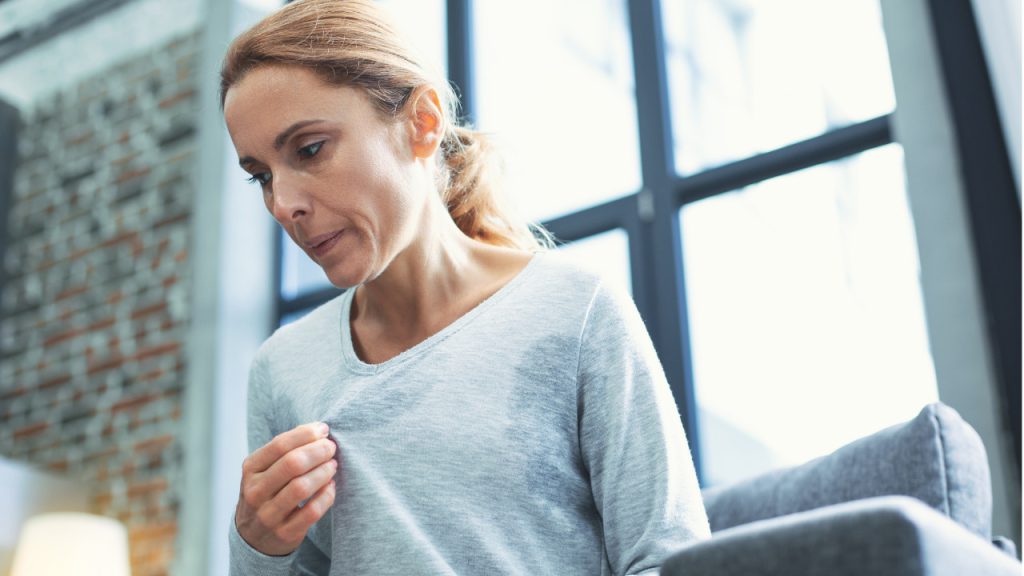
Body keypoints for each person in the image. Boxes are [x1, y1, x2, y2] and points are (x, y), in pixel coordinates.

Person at [221, 0, 710, 573]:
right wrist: (257, 545)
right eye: (261, 176)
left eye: (309, 150)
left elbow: (669, 558)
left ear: (422, 123)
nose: (284, 205)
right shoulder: (282, 370)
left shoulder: (574, 310)